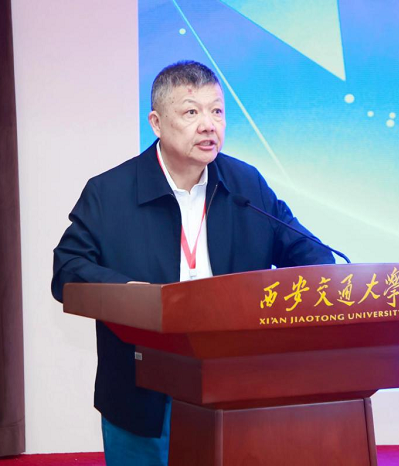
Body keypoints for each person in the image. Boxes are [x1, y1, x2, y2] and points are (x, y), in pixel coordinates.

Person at [51, 60, 336, 465]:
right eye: (191, 112)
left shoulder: (246, 184)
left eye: (217, 111)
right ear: (156, 123)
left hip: (234, 381)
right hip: (143, 384)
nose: (208, 125)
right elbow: (67, 269)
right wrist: (131, 296)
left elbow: (311, 255)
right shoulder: (108, 192)